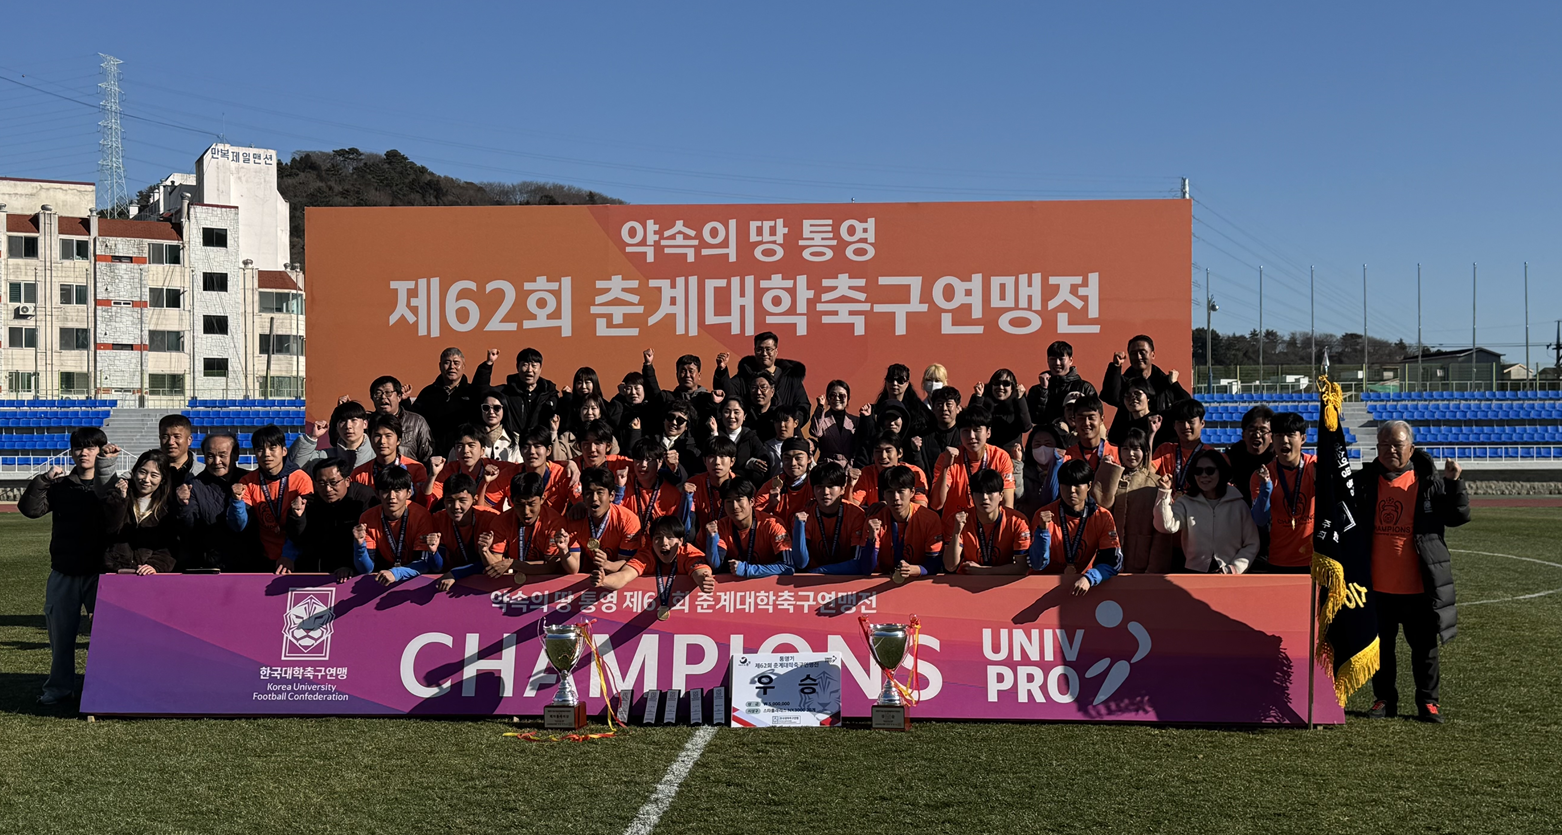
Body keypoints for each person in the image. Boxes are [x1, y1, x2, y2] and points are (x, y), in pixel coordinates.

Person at [1362, 421, 1467, 723]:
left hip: (1418, 585)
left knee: (1425, 649)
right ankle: (1384, 699)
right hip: (1378, 586)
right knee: (1381, 649)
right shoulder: (1366, 482)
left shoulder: (1428, 481)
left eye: (1397, 444)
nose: (1390, 450)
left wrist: (1454, 484)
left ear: (1411, 448)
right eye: (1384, 444)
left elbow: (1457, 516)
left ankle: (1428, 702)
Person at [20, 427, 119, 705]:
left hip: (102, 573)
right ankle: (59, 688)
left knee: (108, 639)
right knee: (61, 638)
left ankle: (107, 686)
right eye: (78, 447)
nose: (83, 452)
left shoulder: (114, 485)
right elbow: (30, 510)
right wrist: (43, 480)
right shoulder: (60, 486)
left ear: (100, 451)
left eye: (90, 447)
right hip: (64, 571)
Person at [1152, 448, 1258, 574]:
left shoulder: (1238, 504)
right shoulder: (1186, 502)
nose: (1204, 475)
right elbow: (1165, 526)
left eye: (1210, 471)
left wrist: (1234, 568)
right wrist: (1163, 493)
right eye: (1198, 471)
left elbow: (1252, 543)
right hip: (1194, 572)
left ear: (1221, 472)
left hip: (1230, 575)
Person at [1030, 459, 1123, 595]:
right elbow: (1037, 564)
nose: (1071, 491)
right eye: (1066, 485)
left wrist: (1090, 578)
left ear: (1089, 486)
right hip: (1041, 587)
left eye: (1077, 484)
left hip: (1082, 586)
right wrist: (1042, 532)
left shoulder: (1102, 517)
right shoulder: (1043, 515)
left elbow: (1113, 562)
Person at [229, 424, 314, 571]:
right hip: (261, 557)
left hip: (296, 556)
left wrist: (289, 555)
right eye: (260, 449)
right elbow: (239, 525)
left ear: (284, 451)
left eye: (272, 447)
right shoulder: (247, 481)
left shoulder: (301, 479)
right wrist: (236, 502)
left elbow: (305, 526)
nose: (266, 454)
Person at [177, 431, 259, 571]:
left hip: (252, 565)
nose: (216, 462)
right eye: (210, 456)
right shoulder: (194, 486)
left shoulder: (252, 480)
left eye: (222, 455)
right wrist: (183, 505)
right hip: (210, 567)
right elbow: (188, 529)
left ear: (236, 455)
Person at [285, 457, 378, 581]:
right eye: (321, 483)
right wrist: (297, 517)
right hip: (319, 572)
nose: (328, 489)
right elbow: (299, 540)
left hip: (357, 571)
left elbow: (371, 540)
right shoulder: (308, 502)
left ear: (347, 481)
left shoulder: (364, 498)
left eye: (333, 483)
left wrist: (349, 566)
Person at [351, 465, 441, 585]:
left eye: (398, 490)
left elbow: (424, 564)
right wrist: (360, 546)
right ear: (377, 494)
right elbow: (366, 569)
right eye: (386, 491)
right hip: (384, 577)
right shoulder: (368, 517)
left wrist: (397, 573)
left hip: (415, 580)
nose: (392, 497)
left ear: (409, 493)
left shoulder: (421, 516)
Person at [1249, 412, 1315, 573]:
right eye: (1279, 435)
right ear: (1272, 439)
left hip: (1314, 561)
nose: (1284, 440)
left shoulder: (1315, 467)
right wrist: (1266, 488)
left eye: (1291, 435)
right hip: (1279, 561)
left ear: (1303, 439)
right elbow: (1260, 519)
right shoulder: (1262, 475)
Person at [594, 515, 717, 599]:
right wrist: (604, 581)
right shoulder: (647, 555)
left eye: (670, 537)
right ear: (651, 541)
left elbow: (700, 571)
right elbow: (624, 576)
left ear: (680, 541)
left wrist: (703, 580)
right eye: (658, 538)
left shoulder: (688, 553)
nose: (664, 543)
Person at [484, 471, 572, 586]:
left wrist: (513, 564)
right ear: (511, 501)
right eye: (520, 504)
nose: (526, 512)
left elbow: (552, 567)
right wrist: (484, 551)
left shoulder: (554, 523)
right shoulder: (500, 522)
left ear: (542, 499)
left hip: (546, 585)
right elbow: (496, 565)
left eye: (531, 504)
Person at [1100, 334, 1190, 443]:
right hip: (1130, 441)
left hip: (1162, 440)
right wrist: (1115, 367)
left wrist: (1174, 384)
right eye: (1133, 353)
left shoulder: (1165, 382)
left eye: (1143, 352)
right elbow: (1111, 397)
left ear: (1153, 355)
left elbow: (1187, 406)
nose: (1138, 357)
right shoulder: (1125, 382)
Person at [103, 450, 180, 575]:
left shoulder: (168, 507)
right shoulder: (117, 496)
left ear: (163, 479)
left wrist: (155, 565)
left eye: (154, 475)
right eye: (142, 472)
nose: (146, 479)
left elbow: (170, 545)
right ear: (134, 472)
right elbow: (110, 528)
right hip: (116, 571)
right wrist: (120, 500)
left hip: (148, 575)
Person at [705, 476, 800, 578]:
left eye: (739, 499)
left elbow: (788, 567)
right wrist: (712, 539)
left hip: (770, 590)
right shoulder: (721, 526)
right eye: (729, 501)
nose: (734, 506)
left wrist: (749, 570)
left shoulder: (772, 524)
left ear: (751, 502)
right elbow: (715, 566)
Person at [944, 469, 1032, 575]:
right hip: (968, 581)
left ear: (1001, 495)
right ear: (971, 495)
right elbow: (950, 566)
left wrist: (983, 571)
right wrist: (956, 533)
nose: (985, 498)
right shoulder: (958, 520)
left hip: (1003, 582)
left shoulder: (1017, 521)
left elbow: (1022, 568)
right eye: (979, 492)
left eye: (990, 492)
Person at [792, 462, 876, 574]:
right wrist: (799, 527)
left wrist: (819, 572)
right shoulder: (803, 516)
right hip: (810, 580)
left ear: (842, 489)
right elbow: (801, 563)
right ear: (812, 490)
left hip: (843, 578)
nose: (825, 492)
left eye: (831, 486)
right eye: (819, 487)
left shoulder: (856, 515)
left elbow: (859, 563)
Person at [931, 405, 1016, 514]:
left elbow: (1007, 505)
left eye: (977, 430)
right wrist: (945, 468)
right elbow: (936, 504)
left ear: (988, 432)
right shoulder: (947, 458)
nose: (971, 436)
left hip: (989, 526)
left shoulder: (1000, 457)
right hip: (956, 526)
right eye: (966, 431)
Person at [867, 465, 945, 583]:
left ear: (912, 492)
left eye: (901, 491)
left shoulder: (930, 519)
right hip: (880, 582)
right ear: (883, 494)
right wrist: (871, 539)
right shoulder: (874, 520)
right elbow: (866, 567)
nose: (895, 498)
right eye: (890, 492)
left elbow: (935, 563)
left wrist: (915, 570)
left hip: (919, 583)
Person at [1111, 428, 1174, 573]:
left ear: (1145, 451)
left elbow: (1162, 534)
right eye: (1125, 449)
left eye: (1135, 448)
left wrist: (1154, 570)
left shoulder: (1156, 483)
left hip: (1142, 563)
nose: (1130, 454)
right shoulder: (1112, 479)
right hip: (1111, 563)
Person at [426, 473, 505, 589]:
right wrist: (432, 553)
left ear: (474, 499)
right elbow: (437, 567)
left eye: (462, 500)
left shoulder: (492, 519)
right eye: (450, 500)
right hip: (450, 582)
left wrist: (457, 573)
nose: (456, 506)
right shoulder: (438, 519)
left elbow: (494, 566)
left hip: (487, 586)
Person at [564, 466, 644, 576]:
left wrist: (607, 565)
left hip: (619, 581)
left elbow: (628, 564)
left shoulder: (628, 520)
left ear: (612, 496)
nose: (594, 498)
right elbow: (573, 569)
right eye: (589, 493)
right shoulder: (575, 518)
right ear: (583, 496)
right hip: (588, 578)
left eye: (600, 492)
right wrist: (563, 551)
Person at [425, 424, 521, 510]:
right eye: (460, 446)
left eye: (471, 445)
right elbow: (427, 502)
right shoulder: (448, 470)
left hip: (490, 524)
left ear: (482, 450)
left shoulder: (498, 469)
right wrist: (432, 476)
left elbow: (522, 469)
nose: (465, 450)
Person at [411, 346, 487, 453]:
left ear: (463, 366)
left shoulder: (472, 392)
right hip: (433, 454)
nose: (452, 367)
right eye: (447, 362)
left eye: (456, 363)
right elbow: (414, 420)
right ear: (440, 366)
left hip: (463, 454)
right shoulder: (428, 393)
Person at [713, 332, 809, 411]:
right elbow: (726, 393)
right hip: (752, 430)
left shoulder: (790, 378)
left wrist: (790, 421)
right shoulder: (745, 375)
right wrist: (722, 371)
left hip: (783, 431)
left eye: (768, 349)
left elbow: (803, 406)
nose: (764, 354)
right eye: (760, 349)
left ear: (776, 352)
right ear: (754, 351)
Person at [619, 438, 692, 532]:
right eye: (638, 460)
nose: (643, 465)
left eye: (649, 460)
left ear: (660, 462)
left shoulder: (672, 494)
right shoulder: (623, 485)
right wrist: (619, 488)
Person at [352, 414, 429, 495]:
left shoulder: (416, 469)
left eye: (388, 436)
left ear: (399, 440)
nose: (382, 441)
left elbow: (422, 501)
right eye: (377, 436)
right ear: (370, 438)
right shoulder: (358, 474)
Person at [291, 400, 374, 475]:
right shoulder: (324, 457)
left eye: (353, 420)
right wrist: (312, 437)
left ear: (365, 424)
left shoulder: (377, 455)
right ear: (337, 427)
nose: (348, 426)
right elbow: (295, 467)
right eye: (342, 421)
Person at [642, 349, 719, 429]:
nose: (687, 375)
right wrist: (648, 365)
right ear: (677, 374)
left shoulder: (708, 400)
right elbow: (653, 391)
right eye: (683, 371)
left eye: (691, 371)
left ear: (699, 375)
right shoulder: (668, 398)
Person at [1027, 340, 1098, 426]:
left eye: (1061, 359)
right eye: (1053, 359)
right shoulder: (1037, 390)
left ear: (1070, 360)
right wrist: (1043, 390)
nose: (1057, 363)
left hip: (1077, 438)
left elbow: (1094, 416)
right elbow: (1035, 419)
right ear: (1047, 361)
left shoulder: (1085, 388)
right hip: (1049, 438)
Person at [494, 347, 560, 436]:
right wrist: (488, 365)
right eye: (525, 365)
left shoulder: (550, 394)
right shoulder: (504, 392)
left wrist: (568, 397)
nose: (529, 370)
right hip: (511, 444)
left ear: (540, 368)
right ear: (517, 367)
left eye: (534, 366)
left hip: (539, 444)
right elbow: (480, 391)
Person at [853, 431, 929, 507]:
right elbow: (853, 506)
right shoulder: (866, 473)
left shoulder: (914, 472)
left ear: (900, 453)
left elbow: (921, 507)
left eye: (888, 451)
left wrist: (887, 506)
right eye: (878, 451)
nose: (883, 456)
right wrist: (849, 486)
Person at [369, 374, 434, 463]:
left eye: (388, 392)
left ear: (399, 397)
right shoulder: (366, 423)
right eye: (378, 393)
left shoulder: (417, 422)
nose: (383, 397)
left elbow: (428, 455)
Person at [1151, 399, 1208, 496]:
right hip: (1166, 507)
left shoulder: (1211, 455)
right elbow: (1147, 474)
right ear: (1174, 425)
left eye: (1190, 421)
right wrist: (1151, 434)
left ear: (1202, 423)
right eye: (1181, 422)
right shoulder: (1165, 450)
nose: (1186, 426)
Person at [710, 396, 770, 484]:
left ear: (744, 416)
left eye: (736, 412)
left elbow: (764, 461)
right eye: (727, 412)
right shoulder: (715, 434)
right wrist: (714, 435)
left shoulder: (751, 437)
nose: (731, 416)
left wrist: (751, 463)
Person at [685, 436, 738, 528]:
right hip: (702, 538)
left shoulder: (741, 486)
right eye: (712, 457)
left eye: (722, 456)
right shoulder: (694, 484)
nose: (717, 462)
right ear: (704, 461)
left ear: (732, 461)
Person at [1227, 405, 1276, 504]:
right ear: (1243, 434)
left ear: (1272, 436)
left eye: (1263, 431)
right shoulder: (1230, 459)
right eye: (1252, 430)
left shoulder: (1279, 460)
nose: (1257, 435)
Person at [1020, 421, 1071, 514]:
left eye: (1048, 444)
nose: (1042, 448)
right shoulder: (1023, 472)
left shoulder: (1067, 470)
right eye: (1037, 444)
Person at [759, 437, 815, 521]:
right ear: (781, 459)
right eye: (787, 458)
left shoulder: (816, 483)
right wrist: (770, 506)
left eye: (798, 458)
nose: (793, 463)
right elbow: (755, 517)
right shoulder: (772, 485)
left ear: (809, 459)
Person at [977, 368, 1031, 453]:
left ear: (1012, 387)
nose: (1001, 387)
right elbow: (971, 421)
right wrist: (978, 398)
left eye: (1006, 384)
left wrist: (1020, 400)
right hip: (988, 455)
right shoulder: (985, 404)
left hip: (1012, 456)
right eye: (997, 383)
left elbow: (1026, 426)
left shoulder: (1017, 404)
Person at [1061, 394, 1118, 474]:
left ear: (1101, 419)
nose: (1086, 423)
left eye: (1091, 418)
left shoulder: (1117, 453)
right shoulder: (1067, 456)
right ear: (1075, 420)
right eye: (1081, 418)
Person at [873, 363, 932, 435]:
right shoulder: (876, 410)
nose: (894, 383)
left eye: (900, 380)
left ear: (907, 383)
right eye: (891, 379)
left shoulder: (919, 412)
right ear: (886, 381)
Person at [915, 386, 962, 476]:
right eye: (939, 404)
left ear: (958, 408)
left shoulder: (965, 436)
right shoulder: (923, 438)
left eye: (948, 404)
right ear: (932, 408)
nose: (944, 408)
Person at [1106, 377, 1165, 447]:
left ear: (1148, 397)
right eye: (1127, 395)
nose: (1133, 398)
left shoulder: (1159, 421)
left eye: (1137, 393)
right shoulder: (1123, 428)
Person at [810, 380, 856, 468]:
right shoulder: (822, 418)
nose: (837, 399)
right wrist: (820, 407)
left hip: (849, 467)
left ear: (848, 398)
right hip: (826, 466)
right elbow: (816, 432)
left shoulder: (855, 421)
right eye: (832, 395)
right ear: (827, 398)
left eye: (842, 396)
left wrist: (850, 467)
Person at [653, 401, 705, 476]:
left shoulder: (692, 451)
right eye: (670, 417)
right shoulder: (650, 442)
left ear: (687, 426)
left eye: (680, 420)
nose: (674, 422)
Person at [472, 391, 525, 464]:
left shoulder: (516, 439)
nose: (491, 412)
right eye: (486, 407)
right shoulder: (471, 438)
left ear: (504, 410)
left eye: (496, 408)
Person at [158, 413, 197, 482]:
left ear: (189, 440)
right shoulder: (148, 473)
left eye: (177, 437)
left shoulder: (202, 474)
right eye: (165, 437)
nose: (170, 442)